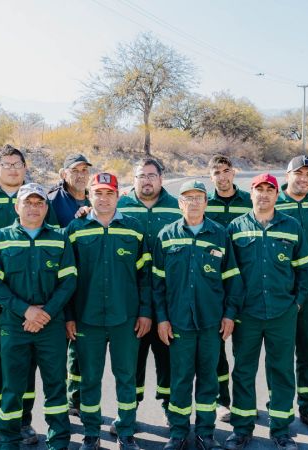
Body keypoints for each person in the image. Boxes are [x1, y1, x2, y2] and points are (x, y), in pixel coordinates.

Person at [0, 145, 58, 449]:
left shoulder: (37, 197)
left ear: (25, 167)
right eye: (6, 164)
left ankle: (23, 422)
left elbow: (51, 235)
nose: (13, 169)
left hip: (32, 291)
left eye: (18, 164)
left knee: (24, 363)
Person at [224, 174, 308, 450]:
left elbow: (307, 268)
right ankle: (242, 428)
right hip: (246, 315)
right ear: (250, 194)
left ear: (277, 195)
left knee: (281, 372)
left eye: (269, 190)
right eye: (258, 190)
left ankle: (280, 429)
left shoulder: (291, 226)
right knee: (243, 371)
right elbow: (227, 274)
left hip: (281, 314)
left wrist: (296, 303)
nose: (263, 195)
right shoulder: (235, 228)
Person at [0, 183, 76, 450]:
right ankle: (9, 440)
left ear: (46, 207)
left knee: (56, 385)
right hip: (14, 324)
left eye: (39, 203)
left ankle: (58, 441)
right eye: (28, 202)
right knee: (12, 387)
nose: (33, 208)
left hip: (51, 324)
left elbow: (69, 281)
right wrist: (27, 310)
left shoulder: (59, 238)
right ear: (17, 206)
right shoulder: (0, 238)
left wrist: (45, 313)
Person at [153, 180, 243, 450]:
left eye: (198, 197)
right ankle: (179, 433)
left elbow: (232, 278)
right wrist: (161, 318)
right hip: (178, 321)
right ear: (180, 203)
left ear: (206, 202)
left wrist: (229, 314)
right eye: (187, 198)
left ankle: (205, 433)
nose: (193, 202)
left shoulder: (220, 234)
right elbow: (157, 283)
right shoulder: (166, 236)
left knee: (208, 379)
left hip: (211, 322)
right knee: (180, 379)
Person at [65, 172, 152, 450]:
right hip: (86, 319)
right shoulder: (75, 229)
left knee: (126, 377)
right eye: (98, 193)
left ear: (118, 196)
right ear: (89, 195)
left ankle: (126, 431)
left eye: (109, 193)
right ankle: (92, 434)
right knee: (89, 378)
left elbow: (145, 276)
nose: (103, 199)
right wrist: (68, 316)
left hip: (124, 319)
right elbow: (66, 278)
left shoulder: (134, 229)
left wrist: (145, 312)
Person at [117, 158, 181, 420]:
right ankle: (129, 410)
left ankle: (168, 406)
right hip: (132, 296)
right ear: (133, 180)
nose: (147, 180)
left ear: (161, 179)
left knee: (167, 356)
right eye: (141, 176)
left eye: (152, 175)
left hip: (168, 295)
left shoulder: (177, 207)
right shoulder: (120, 206)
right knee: (133, 358)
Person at [275, 155, 308, 432]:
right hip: (282, 292)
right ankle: (279, 408)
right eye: (299, 173)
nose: (304, 178)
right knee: (281, 352)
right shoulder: (275, 203)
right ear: (287, 175)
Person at [204, 154, 252, 422]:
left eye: (226, 171)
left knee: (245, 349)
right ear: (211, 177)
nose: (222, 177)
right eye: (216, 173)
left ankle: (245, 401)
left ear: (234, 172)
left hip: (248, 283)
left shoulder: (249, 200)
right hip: (213, 285)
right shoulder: (204, 202)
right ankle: (221, 400)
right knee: (216, 347)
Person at [46, 153, 92, 416]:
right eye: (75, 170)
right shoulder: (52, 201)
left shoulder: (96, 197)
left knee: (81, 344)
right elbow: (48, 238)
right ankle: (57, 403)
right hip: (60, 283)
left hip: (88, 283)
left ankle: (76, 399)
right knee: (58, 346)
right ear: (64, 174)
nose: (81, 174)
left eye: (85, 170)